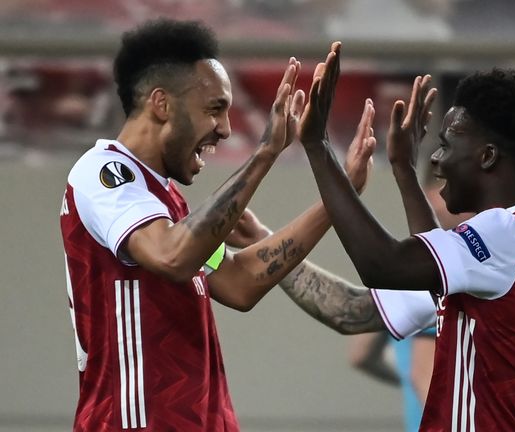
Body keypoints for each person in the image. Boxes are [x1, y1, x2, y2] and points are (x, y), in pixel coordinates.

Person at [59, 20, 375, 431]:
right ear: (162, 104)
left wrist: (339, 197)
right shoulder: (103, 172)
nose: (225, 129)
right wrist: (265, 152)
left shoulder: (168, 206)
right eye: (214, 109)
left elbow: (237, 283)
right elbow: (171, 256)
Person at [298, 42, 515, 430]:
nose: (436, 157)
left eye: (448, 145)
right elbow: (434, 260)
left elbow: (383, 265)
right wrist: (402, 170)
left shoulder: (504, 235)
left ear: (487, 157)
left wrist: (318, 145)